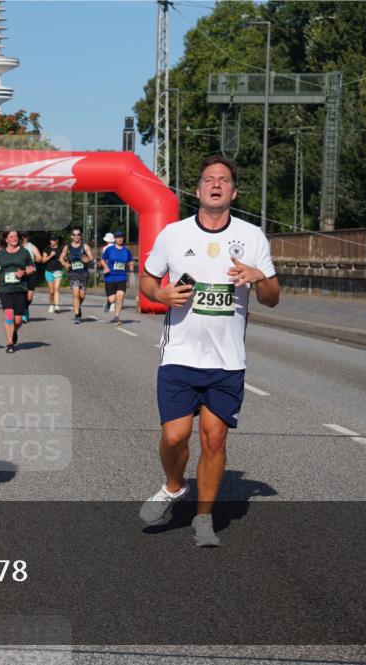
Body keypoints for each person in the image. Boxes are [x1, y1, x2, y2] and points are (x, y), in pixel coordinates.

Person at [138, 155, 279, 547]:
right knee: (174, 437)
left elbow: (272, 298)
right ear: (198, 190)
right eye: (208, 179)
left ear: (233, 191)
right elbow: (147, 280)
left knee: (214, 439)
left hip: (227, 361)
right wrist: (161, 293)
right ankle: (172, 485)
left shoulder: (252, 237)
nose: (215, 184)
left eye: (223, 180)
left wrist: (259, 276)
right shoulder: (173, 234)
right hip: (180, 355)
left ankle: (204, 518)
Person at [0, 229, 35, 353]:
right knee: (8, 314)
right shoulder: (1, 253)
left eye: (16, 236)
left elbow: (32, 268)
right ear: (6, 239)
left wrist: (24, 272)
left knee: (18, 320)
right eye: (11, 236)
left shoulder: (24, 252)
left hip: (20, 288)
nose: (14, 238)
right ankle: (9, 343)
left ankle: (14, 330)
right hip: (5, 288)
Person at [60, 229, 93, 324]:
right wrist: (65, 264)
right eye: (74, 235)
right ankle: (76, 316)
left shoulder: (85, 246)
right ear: (71, 236)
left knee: (82, 295)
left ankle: (77, 307)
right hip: (73, 273)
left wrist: (87, 259)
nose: (76, 236)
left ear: (80, 236)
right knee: (75, 294)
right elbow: (61, 258)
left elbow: (91, 257)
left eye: (78, 234)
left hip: (84, 273)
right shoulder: (68, 247)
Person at [101, 230, 134, 325]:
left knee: (120, 297)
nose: (119, 239)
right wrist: (106, 267)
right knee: (112, 299)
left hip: (122, 277)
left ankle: (116, 317)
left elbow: (130, 260)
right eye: (117, 237)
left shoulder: (126, 251)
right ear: (115, 239)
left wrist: (131, 266)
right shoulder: (109, 249)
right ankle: (108, 302)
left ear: (123, 239)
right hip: (110, 277)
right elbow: (103, 260)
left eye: (121, 237)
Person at [20, 232, 42, 322]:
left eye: (25, 236)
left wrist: (36, 258)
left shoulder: (31, 247)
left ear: (27, 237)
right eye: (21, 236)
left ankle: (25, 308)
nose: (23, 238)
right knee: (20, 294)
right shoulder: (16, 246)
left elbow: (40, 258)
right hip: (20, 273)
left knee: (29, 297)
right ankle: (22, 312)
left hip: (31, 272)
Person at [41, 235, 65, 313]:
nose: (52, 241)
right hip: (48, 271)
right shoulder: (47, 249)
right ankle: (51, 305)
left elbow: (64, 258)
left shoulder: (61, 249)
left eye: (53, 240)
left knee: (57, 288)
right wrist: (50, 255)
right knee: (51, 291)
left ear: (57, 241)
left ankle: (57, 305)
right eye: (51, 240)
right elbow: (43, 260)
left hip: (58, 271)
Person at [101, 232, 115, 312]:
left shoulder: (105, 248)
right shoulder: (117, 247)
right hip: (117, 269)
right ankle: (113, 302)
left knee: (109, 287)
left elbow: (104, 259)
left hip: (108, 269)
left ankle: (110, 302)